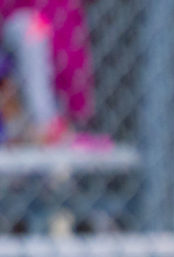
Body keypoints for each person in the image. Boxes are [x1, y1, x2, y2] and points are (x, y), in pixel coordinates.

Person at [0, 0, 108, 147]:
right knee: (32, 29)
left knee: (55, 28)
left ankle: (61, 124)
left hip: (52, 25)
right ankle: (46, 124)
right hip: (16, 25)